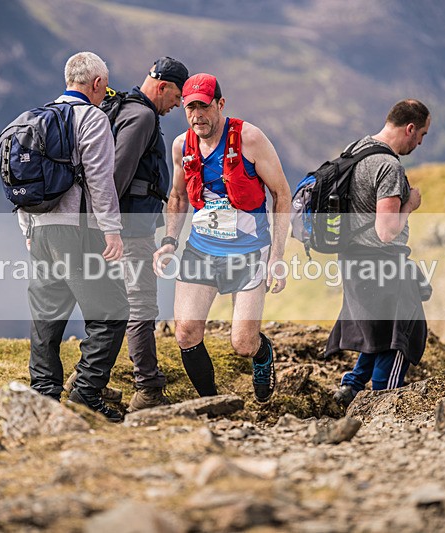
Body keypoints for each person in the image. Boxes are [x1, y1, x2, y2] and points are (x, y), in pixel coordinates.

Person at [153, 73, 291, 404]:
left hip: (249, 252)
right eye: (190, 108)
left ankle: (263, 354)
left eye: (204, 107)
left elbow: (281, 194)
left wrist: (276, 256)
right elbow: (178, 197)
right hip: (201, 249)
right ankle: (212, 403)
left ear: (220, 104)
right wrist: (170, 241)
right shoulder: (181, 146)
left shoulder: (250, 139)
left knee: (243, 344)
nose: (197, 115)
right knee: (185, 333)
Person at [18, 51, 128, 423]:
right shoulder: (92, 118)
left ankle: (43, 396)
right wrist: (111, 231)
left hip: (39, 229)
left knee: (46, 317)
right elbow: (100, 179)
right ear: (97, 84)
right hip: (80, 231)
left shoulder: (33, 119)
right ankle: (85, 393)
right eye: (104, 86)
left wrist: (28, 231)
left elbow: (21, 180)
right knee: (112, 313)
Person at [327, 99, 432, 410]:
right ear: (409, 128)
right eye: (422, 134)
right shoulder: (389, 166)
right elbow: (387, 230)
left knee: (377, 329)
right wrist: (410, 204)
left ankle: (353, 385)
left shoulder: (356, 147)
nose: (420, 142)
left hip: (351, 258)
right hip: (382, 262)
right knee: (400, 335)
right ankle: (384, 400)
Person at [108, 57, 189, 411]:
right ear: (163, 86)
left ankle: (87, 381)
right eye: (176, 97)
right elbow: (117, 173)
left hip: (118, 228)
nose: (177, 106)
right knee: (141, 305)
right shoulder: (141, 117)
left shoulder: (124, 109)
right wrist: (109, 227)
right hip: (130, 229)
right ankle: (148, 390)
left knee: (115, 305)